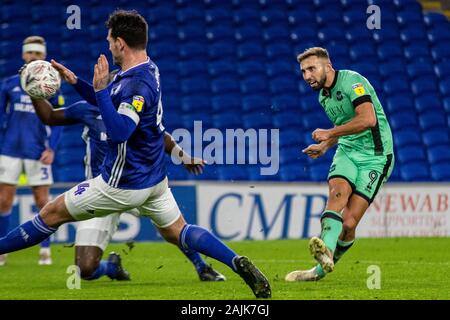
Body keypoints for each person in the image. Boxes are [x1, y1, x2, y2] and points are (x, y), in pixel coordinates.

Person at [0, 10, 271, 298]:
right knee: (179, 230)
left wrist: (101, 91)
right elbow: (113, 99)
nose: (108, 46)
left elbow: (120, 131)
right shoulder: (146, 70)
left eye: (109, 40)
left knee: (51, 213)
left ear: (120, 43)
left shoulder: (135, 85)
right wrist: (77, 82)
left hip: (123, 183)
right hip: (154, 179)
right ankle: (236, 262)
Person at [30, 87, 226, 282]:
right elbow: (49, 116)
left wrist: (183, 156)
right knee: (85, 268)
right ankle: (111, 267)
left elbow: (161, 137)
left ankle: (202, 267)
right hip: (100, 192)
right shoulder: (87, 109)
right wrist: (33, 90)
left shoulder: (134, 109)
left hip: (136, 183)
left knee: (174, 232)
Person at [285, 47, 394, 282]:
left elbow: (367, 119)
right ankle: (324, 253)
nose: (307, 76)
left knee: (349, 223)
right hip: (347, 151)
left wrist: (328, 133)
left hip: (376, 156)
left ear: (328, 66)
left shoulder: (353, 82)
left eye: (311, 69)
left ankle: (319, 272)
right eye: (303, 71)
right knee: (336, 196)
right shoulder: (323, 96)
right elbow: (345, 125)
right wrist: (325, 146)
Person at [0, 36, 64, 266]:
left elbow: (59, 118)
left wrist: (52, 148)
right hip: (9, 150)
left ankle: (45, 251)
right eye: (29, 53)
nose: (33, 57)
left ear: (43, 55)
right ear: (23, 54)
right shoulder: (9, 83)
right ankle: (2, 249)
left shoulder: (51, 84)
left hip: (38, 150)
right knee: (3, 201)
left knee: (43, 201)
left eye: (37, 53)